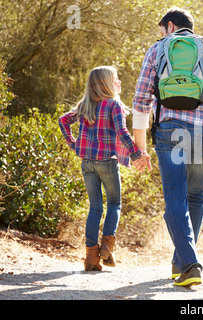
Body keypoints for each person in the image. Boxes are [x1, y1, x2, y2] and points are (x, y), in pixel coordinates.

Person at [132, 7, 203, 287]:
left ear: (169, 26)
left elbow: (141, 101)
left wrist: (139, 147)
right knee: (196, 196)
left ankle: (190, 264)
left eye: (161, 29)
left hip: (169, 132)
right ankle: (181, 263)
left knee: (175, 200)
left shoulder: (157, 50)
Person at [59, 66, 149, 271]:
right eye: (116, 79)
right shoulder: (113, 105)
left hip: (87, 163)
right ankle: (107, 246)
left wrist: (74, 144)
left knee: (95, 207)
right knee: (115, 203)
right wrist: (137, 155)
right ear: (109, 83)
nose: (118, 82)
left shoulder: (85, 104)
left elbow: (63, 120)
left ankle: (91, 257)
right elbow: (123, 133)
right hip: (107, 162)